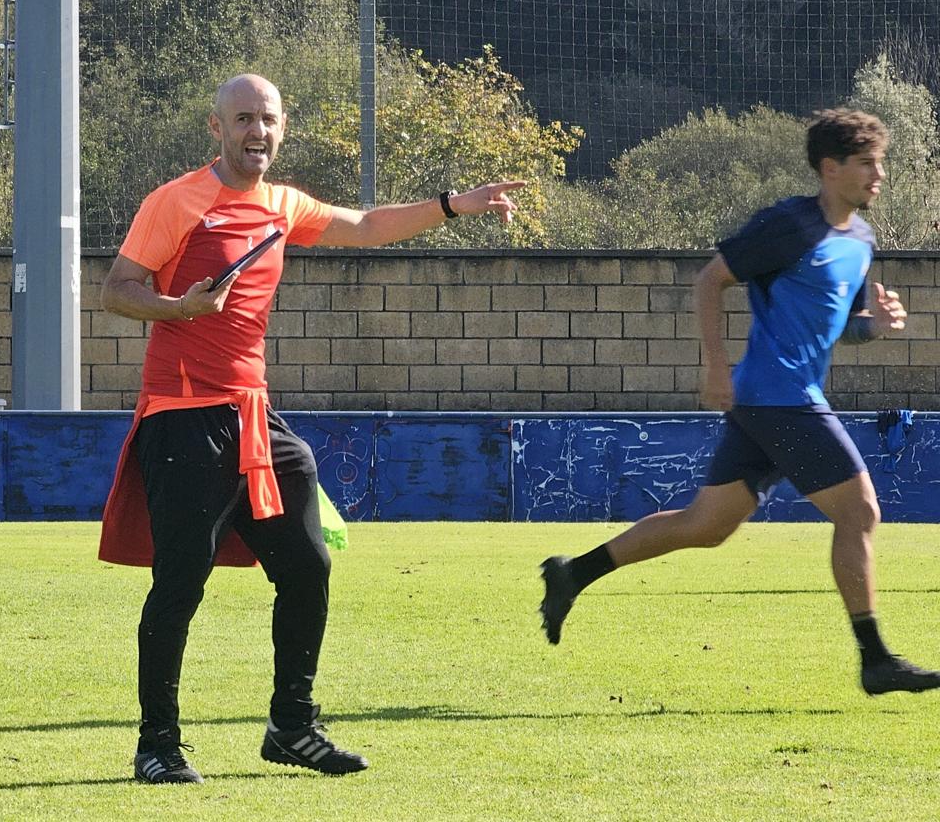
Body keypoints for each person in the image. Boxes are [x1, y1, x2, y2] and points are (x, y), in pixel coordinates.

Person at [98, 73, 524, 784]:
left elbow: (366, 226)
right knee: (180, 584)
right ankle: (156, 746)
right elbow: (117, 290)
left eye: (266, 119)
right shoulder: (174, 203)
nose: (255, 132)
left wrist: (455, 205)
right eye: (242, 120)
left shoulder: (282, 205)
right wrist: (181, 309)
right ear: (216, 128)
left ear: (282, 127)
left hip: (255, 418)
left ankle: (291, 728)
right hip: (182, 415)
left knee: (308, 565)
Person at [539, 108, 940, 697]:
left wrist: (875, 324)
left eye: (881, 162)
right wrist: (715, 368)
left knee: (707, 526)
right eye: (867, 164)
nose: (879, 174)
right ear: (830, 169)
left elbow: (842, 326)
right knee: (860, 513)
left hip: (781, 400)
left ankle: (572, 573)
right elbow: (710, 280)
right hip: (777, 397)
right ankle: (876, 659)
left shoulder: (860, 238)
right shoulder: (788, 226)